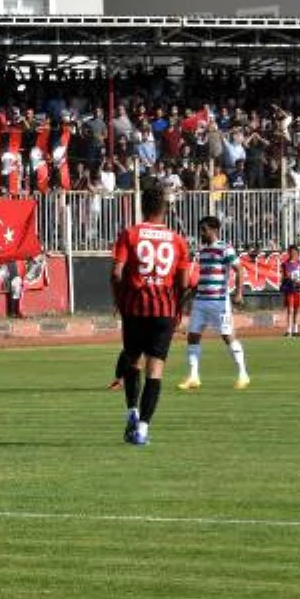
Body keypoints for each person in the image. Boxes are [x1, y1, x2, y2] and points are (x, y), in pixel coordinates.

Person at [111, 186, 191, 446]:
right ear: (164, 208)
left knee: (132, 362)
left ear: (142, 206)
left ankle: (132, 411)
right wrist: (179, 307)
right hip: (164, 311)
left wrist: (119, 300)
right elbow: (185, 282)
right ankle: (143, 429)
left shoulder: (130, 234)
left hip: (134, 309)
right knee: (155, 371)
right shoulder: (178, 240)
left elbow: (116, 273)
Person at [179, 216, 251, 391]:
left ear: (213, 229)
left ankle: (243, 374)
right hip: (201, 301)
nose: (201, 233)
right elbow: (203, 279)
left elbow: (239, 269)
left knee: (227, 336)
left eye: (203, 229)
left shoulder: (225, 249)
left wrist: (239, 293)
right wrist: (186, 298)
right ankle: (194, 376)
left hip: (219, 301)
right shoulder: (202, 252)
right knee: (193, 336)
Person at [280, 244, 300, 337]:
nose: (293, 254)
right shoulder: (285, 264)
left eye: (294, 252)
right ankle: (288, 330)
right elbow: (285, 275)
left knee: (296, 309)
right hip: (289, 288)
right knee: (290, 309)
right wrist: (293, 279)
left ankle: (295, 329)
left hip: (297, 288)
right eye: (291, 252)